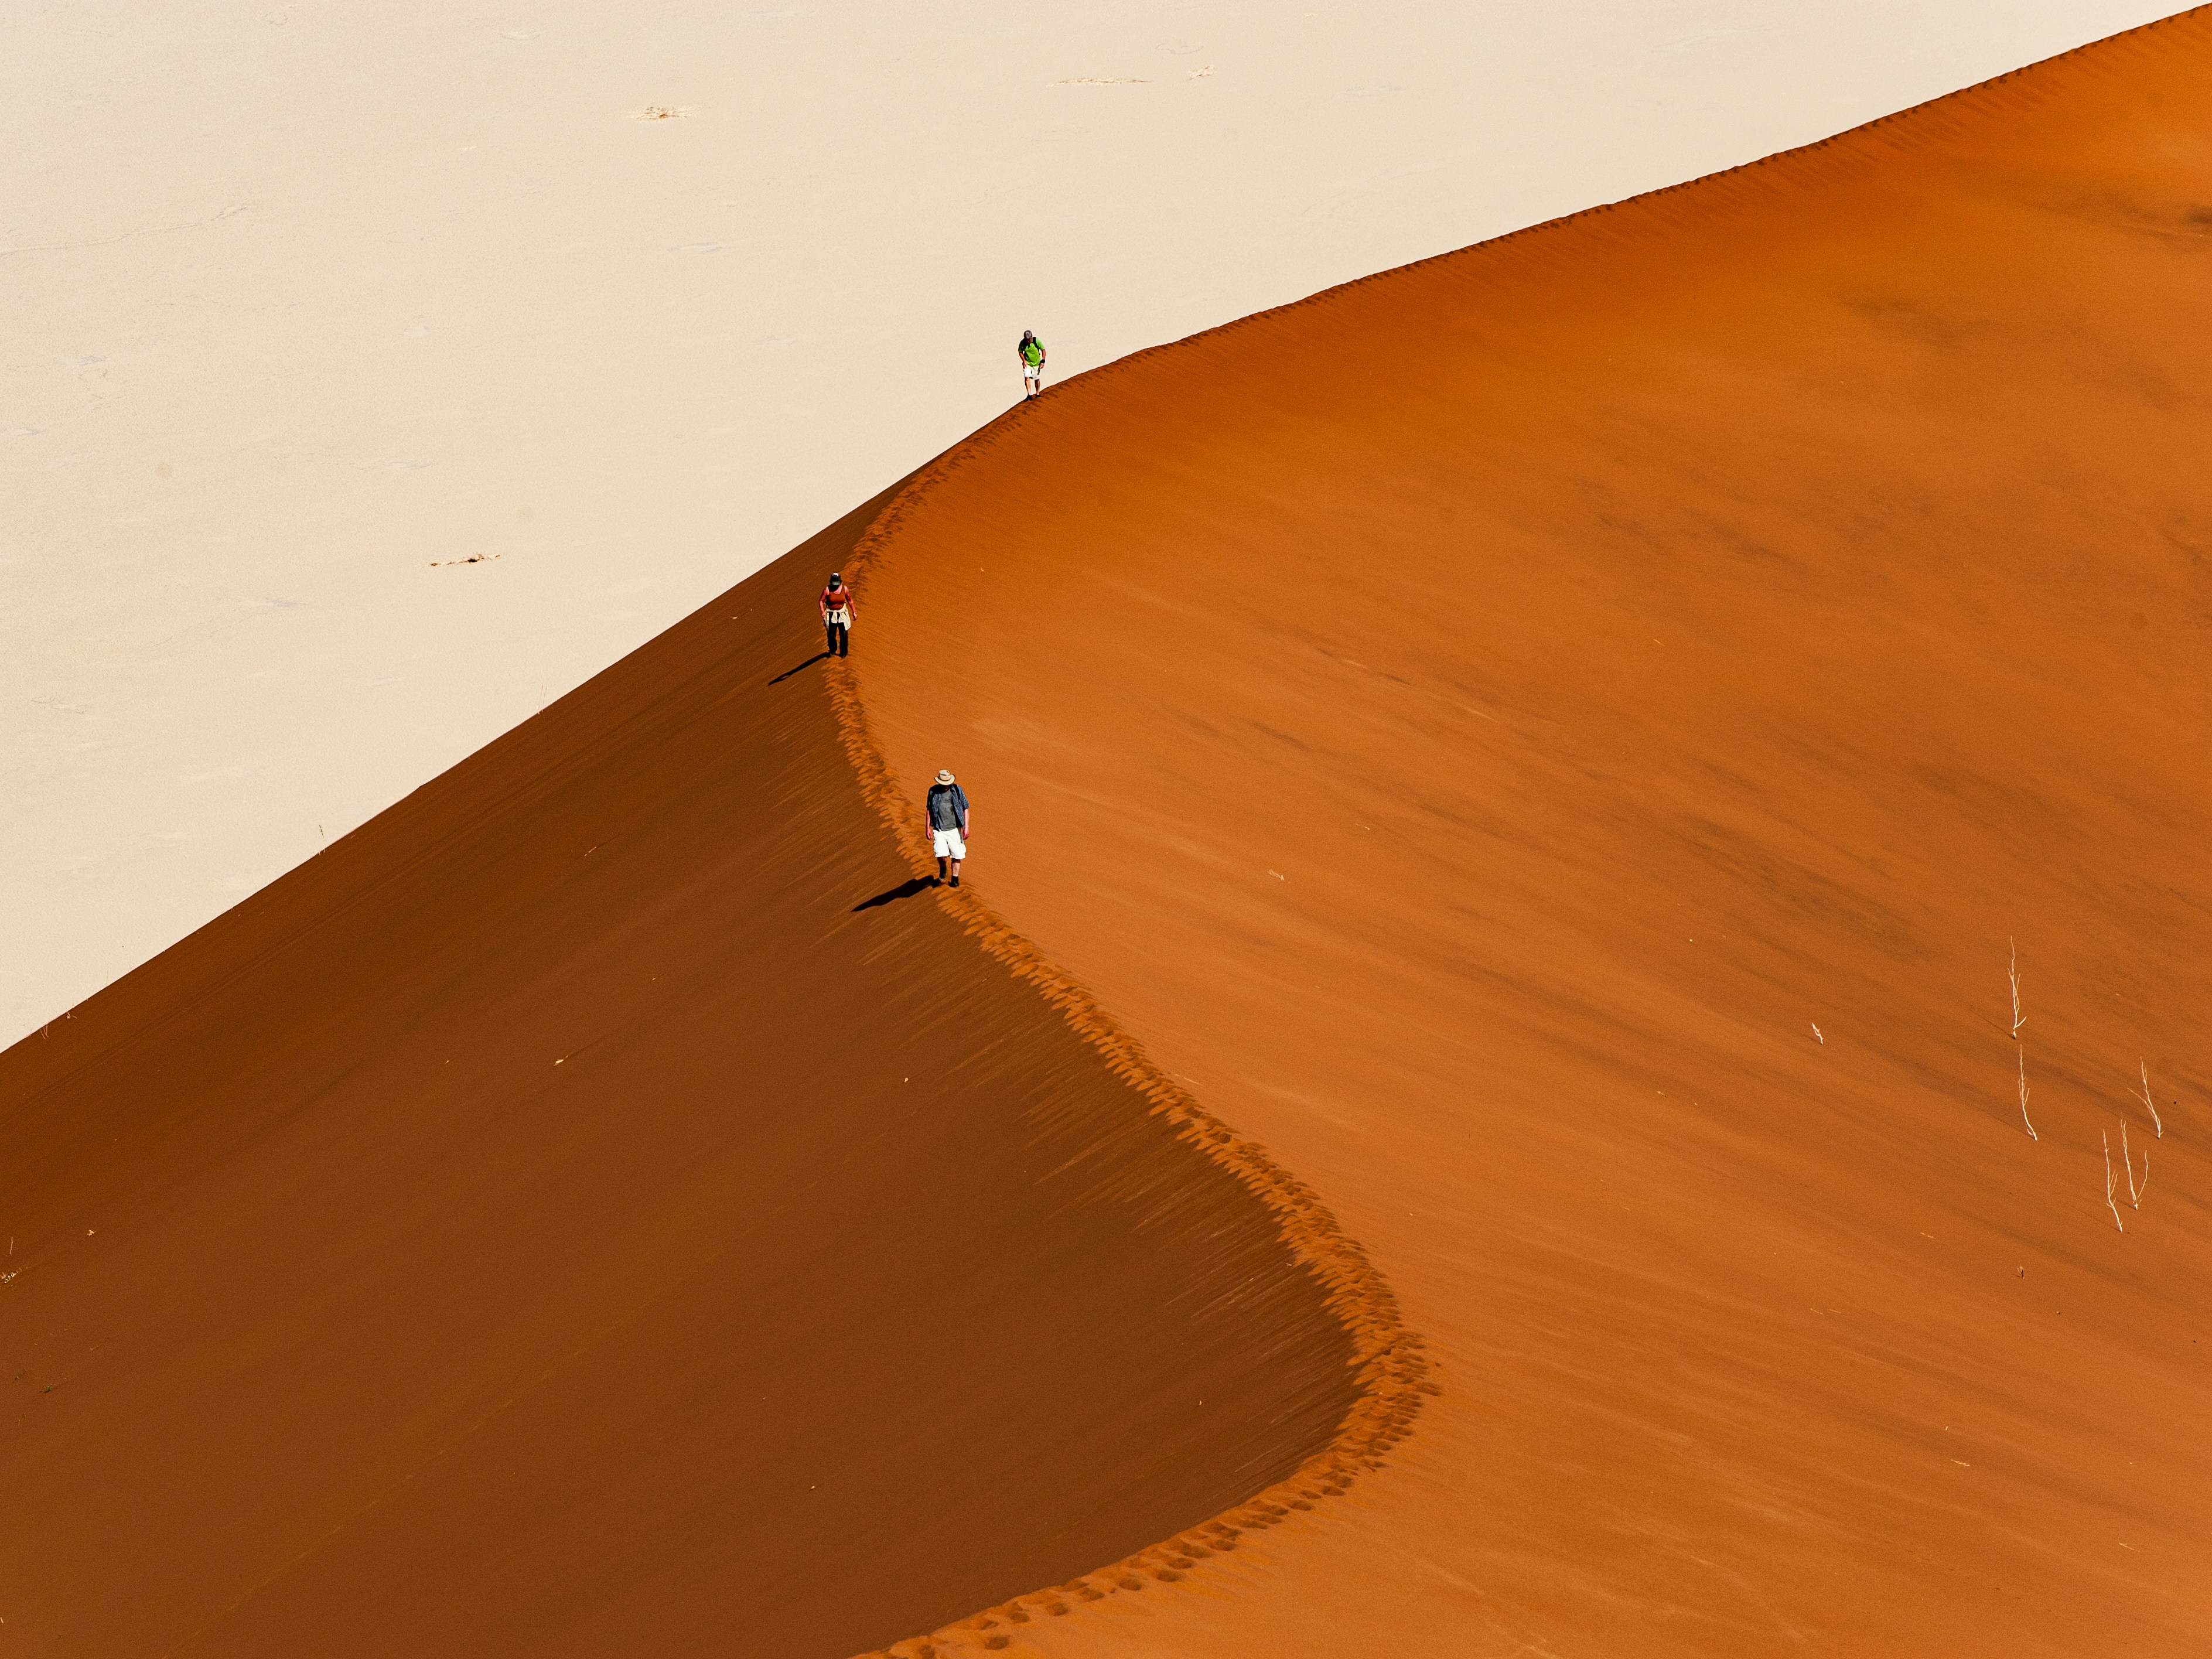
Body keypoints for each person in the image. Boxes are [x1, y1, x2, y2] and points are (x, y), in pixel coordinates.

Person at [925, 768, 970, 887]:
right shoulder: (933, 791)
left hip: (955, 829)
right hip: (939, 829)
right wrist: (927, 827)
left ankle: (955, 879)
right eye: (943, 784)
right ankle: (943, 869)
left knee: (957, 855)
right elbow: (929, 810)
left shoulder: (957, 790)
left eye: (947, 783)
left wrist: (966, 827)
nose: (946, 786)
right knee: (941, 854)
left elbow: (966, 808)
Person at [820, 571, 855, 659]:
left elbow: (850, 600)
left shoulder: (845, 589)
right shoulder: (827, 590)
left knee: (844, 634)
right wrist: (823, 611)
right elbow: (821, 601)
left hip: (842, 614)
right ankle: (832, 650)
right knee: (831, 634)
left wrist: (854, 611)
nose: (836, 585)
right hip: (832, 615)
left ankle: (844, 653)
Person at [1018, 330, 1047, 398]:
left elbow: (1043, 350)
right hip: (1027, 363)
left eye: (1029, 339)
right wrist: (1024, 361)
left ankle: (1037, 393)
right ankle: (1029, 394)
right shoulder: (1023, 343)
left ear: (1031, 337)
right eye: (1026, 339)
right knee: (1027, 378)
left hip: (1036, 363)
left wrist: (1043, 361)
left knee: (1036, 379)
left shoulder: (1036, 341)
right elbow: (1020, 352)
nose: (1028, 341)